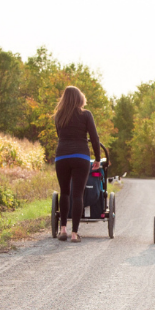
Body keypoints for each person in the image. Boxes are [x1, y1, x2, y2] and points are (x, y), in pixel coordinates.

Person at [51, 86, 102, 243]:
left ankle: (63, 229)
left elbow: (60, 135)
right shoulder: (86, 114)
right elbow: (94, 138)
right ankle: (74, 234)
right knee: (78, 194)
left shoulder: (59, 116)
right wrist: (98, 159)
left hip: (62, 156)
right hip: (80, 156)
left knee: (64, 192)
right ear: (79, 98)